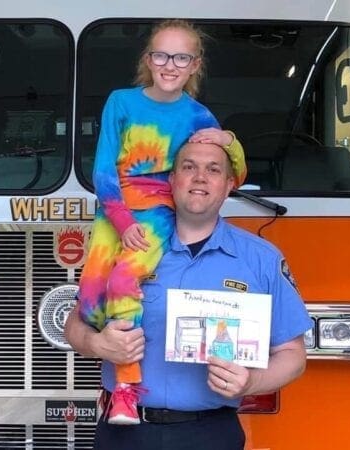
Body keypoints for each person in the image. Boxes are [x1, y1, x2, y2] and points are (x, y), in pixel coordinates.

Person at [65, 140, 312, 450]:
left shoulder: (261, 260)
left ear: (228, 185)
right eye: (189, 167)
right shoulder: (125, 248)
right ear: (172, 180)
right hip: (124, 432)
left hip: (210, 433)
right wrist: (96, 342)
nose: (200, 177)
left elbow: (293, 355)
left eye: (213, 169)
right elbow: (75, 322)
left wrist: (251, 382)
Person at [76, 19, 245, 425]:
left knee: (123, 282)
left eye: (181, 57)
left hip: (157, 210)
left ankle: (126, 391)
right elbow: (103, 171)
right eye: (161, 55)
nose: (170, 65)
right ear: (148, 60)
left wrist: (230, 140)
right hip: (114, 209)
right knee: (90, 299)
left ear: (194, 65)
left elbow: (228, 174)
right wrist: (119, 221)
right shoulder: (120, 102)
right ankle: (121, 359)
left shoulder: (197, 114)